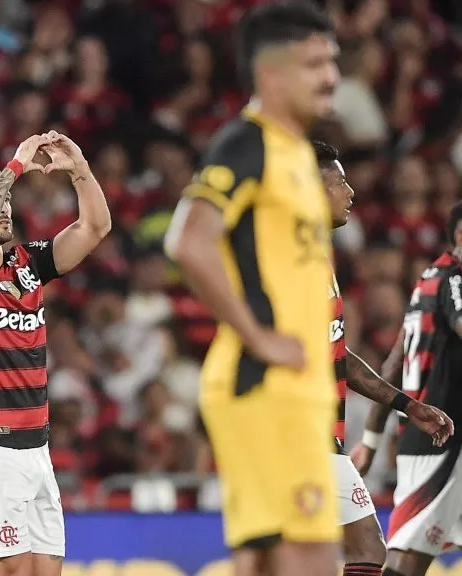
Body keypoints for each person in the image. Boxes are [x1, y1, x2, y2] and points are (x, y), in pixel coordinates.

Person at [162, 3, 342, 575]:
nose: (331, 77)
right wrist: (259, 338)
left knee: (263, 561)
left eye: (332, 62)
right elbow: (189, 240)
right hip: (268, 385)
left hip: (291, 390)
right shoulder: (248, 144)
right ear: (271, 73)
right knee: (312, 558)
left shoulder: (297, 155)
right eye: (314, 64)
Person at [0, 130, 110, 576]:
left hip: (36, 449)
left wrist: (80, 170)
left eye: (7, 198)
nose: (5, 205)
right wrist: (14, 168)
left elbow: (94, 228)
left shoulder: (28, 265)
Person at [313, 140, 453, 576]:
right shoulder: (289, 258)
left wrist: (409, 406)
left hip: (321, 433)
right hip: (297, 429)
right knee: (361, 547)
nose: (350, 191)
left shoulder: (318, 258)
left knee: (360, 548)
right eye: (339, 182)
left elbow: (337, 354)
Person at [350, 202, 462, 576]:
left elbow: (392, 364)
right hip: (441, 437)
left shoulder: (426, 283)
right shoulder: (454, 278)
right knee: (407, 558)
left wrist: (370, 440)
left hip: (434, 435)